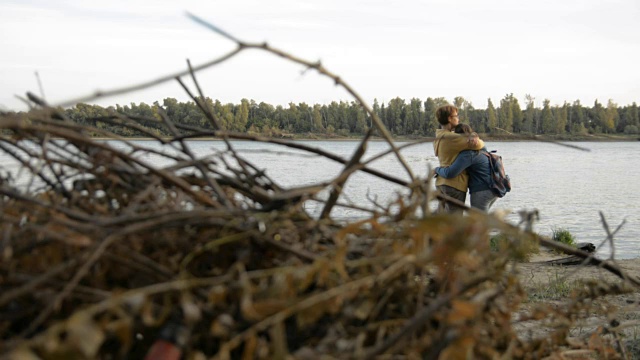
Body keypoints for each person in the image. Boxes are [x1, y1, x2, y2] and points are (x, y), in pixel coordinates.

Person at [433, 104, 485, 212]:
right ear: (449, 118)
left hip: (440, 183)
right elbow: (480, 144)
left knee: (442, 220)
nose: (458, 118)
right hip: (454, 185)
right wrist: (474, 136)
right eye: (456, 115)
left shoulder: (438, 136)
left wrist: (472, 134)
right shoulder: (452, 138)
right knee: (454, 222)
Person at [435, 124, 498, 211]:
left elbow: (450, 173)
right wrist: (475, 135)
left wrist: (437, 170)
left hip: (481, 190)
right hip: (493, 188)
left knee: (477, 220)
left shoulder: (468, 154)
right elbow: (484, 146)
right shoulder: (479, 148)